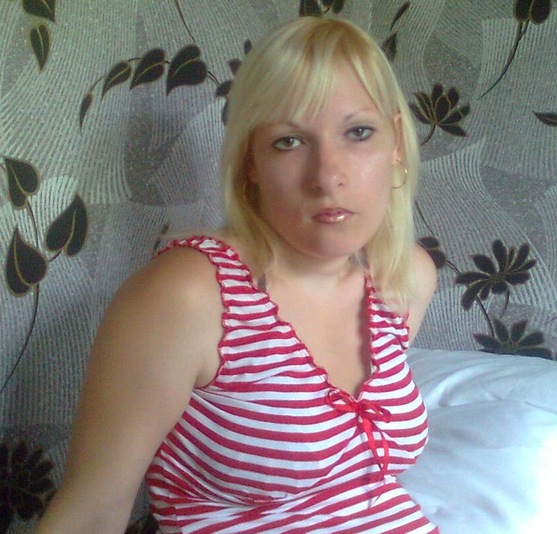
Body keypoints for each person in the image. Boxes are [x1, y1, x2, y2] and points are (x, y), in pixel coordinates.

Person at [36, 16, 438, 534]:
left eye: (358, 132)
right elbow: (90, 514)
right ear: (250, 161)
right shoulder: (187, 295)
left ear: (396, 142)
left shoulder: (404, 279)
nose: (327, 176)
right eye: (289, 141)